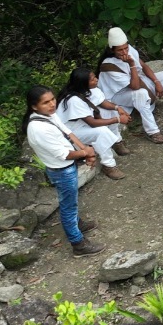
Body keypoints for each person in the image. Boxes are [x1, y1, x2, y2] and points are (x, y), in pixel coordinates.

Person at [23, 85, 103, 256]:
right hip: (62, 171)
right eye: (46, 102)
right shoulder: (38, 129)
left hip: (66, 167)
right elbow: (64, 154)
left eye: (52, 99)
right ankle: (78, 244)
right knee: (68, 206)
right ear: (34, 106)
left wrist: (86, 150)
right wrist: (86, 153)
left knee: (70, 203)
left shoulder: (48, 115)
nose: (52, 104)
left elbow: (68, 132)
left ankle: (77, 224)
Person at [98, 27, 163, 143]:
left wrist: (157, 82)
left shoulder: (130, 50)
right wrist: (131, 64)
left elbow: (144, 66)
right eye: (120, 50)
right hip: (118, 95)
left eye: (125, 48)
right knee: (141, 94)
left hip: (137, 83)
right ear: (112, 50)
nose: (124, 52)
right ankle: (152, 132)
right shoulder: (109, 66)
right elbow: (135, 86)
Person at [57, 66, 128, 179]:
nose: (96, 80)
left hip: (81, 127)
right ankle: (109, 165)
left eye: (95, 77)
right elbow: (92, 123)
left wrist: (117, 108)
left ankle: (116, 142)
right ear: (83, 83)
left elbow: (102, 103)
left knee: (112, 112)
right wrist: (118, 120)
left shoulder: (86, 91)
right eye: (92, 79)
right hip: (70, 135)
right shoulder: (73, 100)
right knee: (101, 132)